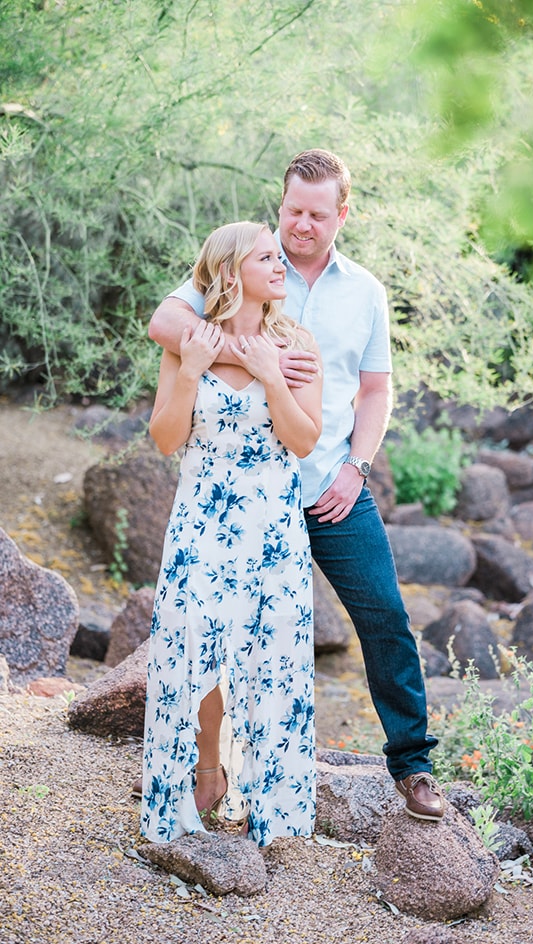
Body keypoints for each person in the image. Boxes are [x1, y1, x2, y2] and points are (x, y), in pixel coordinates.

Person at [149, 149, 445, 822]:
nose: (300, 226)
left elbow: (375, 391)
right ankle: (207, 772)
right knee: (219, 635)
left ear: (343, 214)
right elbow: (166, 326)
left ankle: (413, 764)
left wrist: (356, 467)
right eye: (292, 210)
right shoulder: (242, 262)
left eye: (317, 214)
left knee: (384, 616)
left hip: (326, 483)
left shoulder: (364, 291)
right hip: (245, 496)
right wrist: (247, 353)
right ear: (279, 205)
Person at [141, 221, 323, 848]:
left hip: (271, 523)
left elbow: (303, 441)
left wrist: (272, 375)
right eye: (267, 257)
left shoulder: (296, 341)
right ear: (228, 272)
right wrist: (190, 368)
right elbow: (166, 439)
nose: (281, 265)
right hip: (201, 518)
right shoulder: (190, 342)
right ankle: (202, 777)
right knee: (197, 651)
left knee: (271, 654)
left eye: (280, 257)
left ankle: (269, 800)